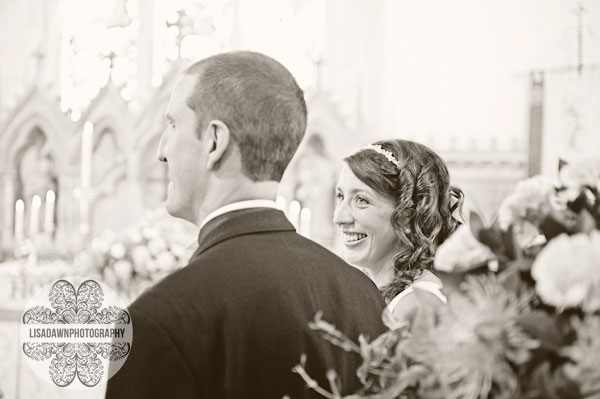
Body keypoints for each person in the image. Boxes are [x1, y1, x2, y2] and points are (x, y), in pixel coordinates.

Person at [105, 51, 386, 399]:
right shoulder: (361, 295)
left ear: (214, 142)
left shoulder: (159, 320)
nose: (162, 150)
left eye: (174, 124)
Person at [333, 139, 463, 321]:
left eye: (361, 200)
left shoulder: (419, 306)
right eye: (340, 196)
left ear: (406, 215)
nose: (339, 218)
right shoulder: (372, 293)